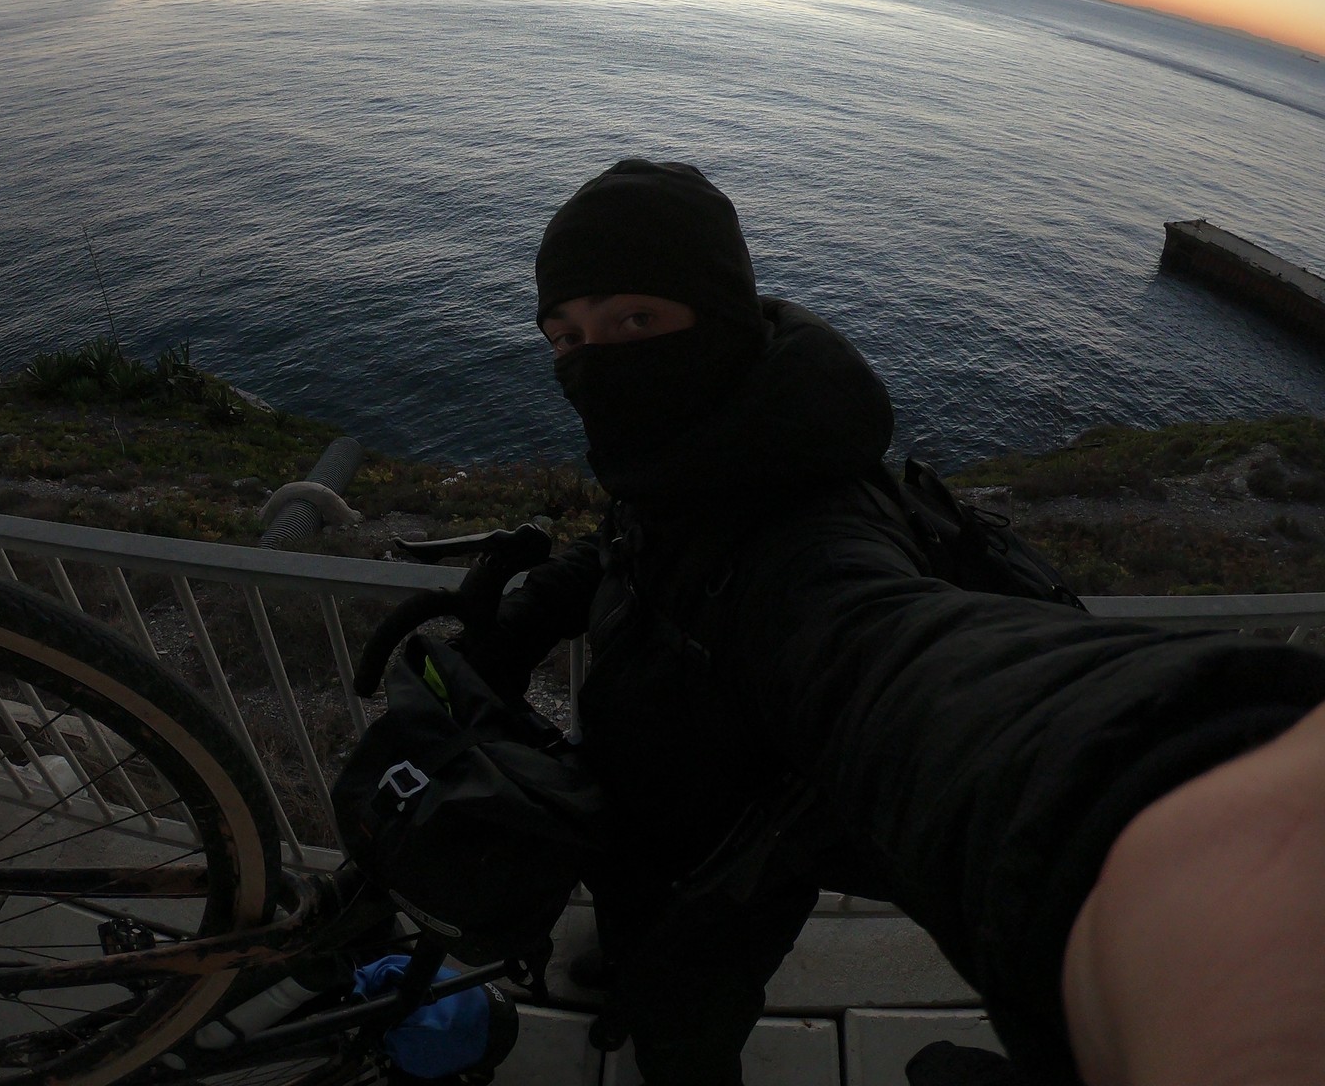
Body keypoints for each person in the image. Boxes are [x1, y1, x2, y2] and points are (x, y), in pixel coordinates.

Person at [460, 158, 1325, 1086]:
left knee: (688, 1017)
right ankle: (628, 959)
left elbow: (889, 658)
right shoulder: (697, 447)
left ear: (716, 316)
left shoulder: (812, 523)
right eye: (567, 337)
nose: (597, 363)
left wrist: (1152, 807)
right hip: (638, 800)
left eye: (635, 320)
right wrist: (522, 618)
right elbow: (639, 543)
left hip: (734, 859)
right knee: (636, 926)